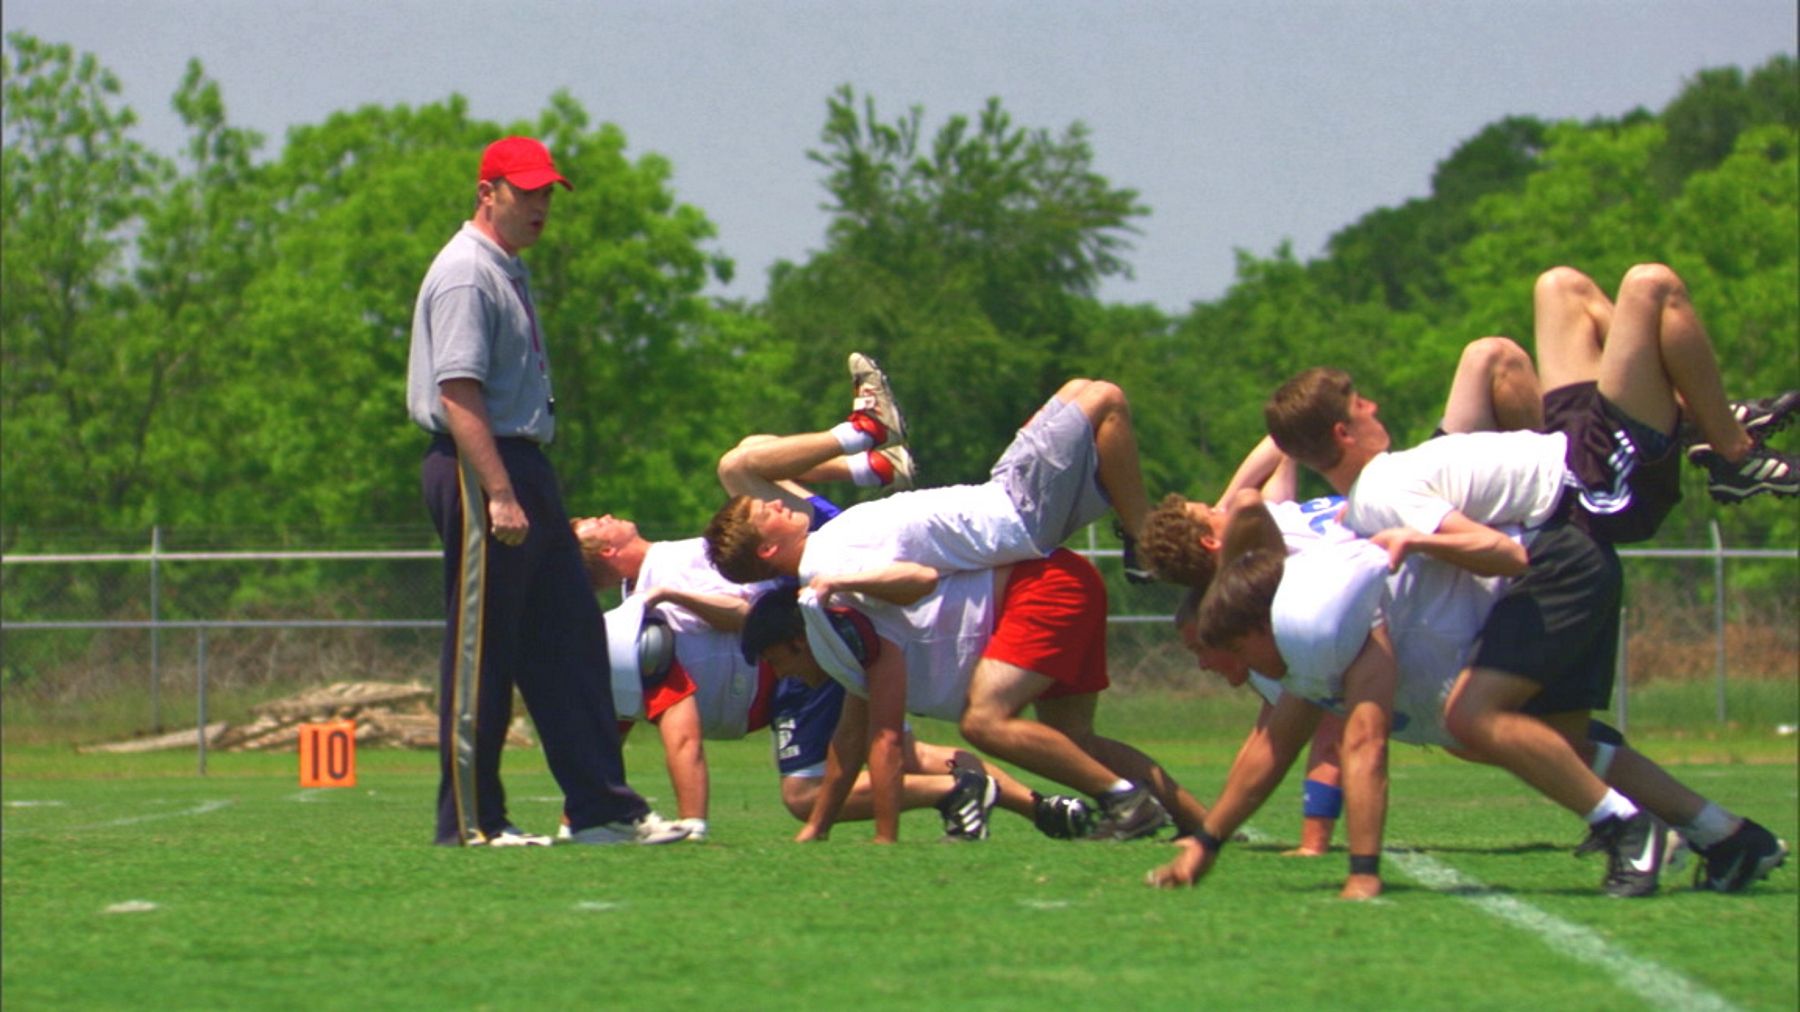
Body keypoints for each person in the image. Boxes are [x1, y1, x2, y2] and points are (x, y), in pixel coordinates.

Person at [1257, 263, 1795, 893]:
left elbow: (1493, 360)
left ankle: (1703, 422)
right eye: (1359, 404)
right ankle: (1732, 452)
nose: (1374, 404)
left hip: (1569, 466)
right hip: (1586, 488)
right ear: (1344, 432)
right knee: (1649, 286)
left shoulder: (1396, 474)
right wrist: (1415, 535)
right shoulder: (1382, 490)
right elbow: (1486, 547)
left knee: (1559, 286)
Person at [1156, 523, 1787, 897]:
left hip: (1543, 578)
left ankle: (1627, 826)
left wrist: (1365, 872)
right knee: (1550, 746)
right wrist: (1206, 843)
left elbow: (1365, 744)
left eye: (1221, 649)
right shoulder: (1298, 646)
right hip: (1541, 586)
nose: (1212, 667)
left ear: (1262, 627)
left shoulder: (1322, 629)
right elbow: (1271, 748)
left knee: (1475, 721)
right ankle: (1729, 838)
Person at [405, 136, 685, 847]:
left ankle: (601, 809)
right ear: (486, 193)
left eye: (546, 193)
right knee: (483, 650)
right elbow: (458, 390)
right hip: (481, 466)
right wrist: (498, 491)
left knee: (569, 634)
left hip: (521, 462)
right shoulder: (468, 272)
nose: (539, 207)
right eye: (524, 192)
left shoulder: (506, 270)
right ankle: (472, 820)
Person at [741, 549, 1210, 843]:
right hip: (1067, 576)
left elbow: (883, 743)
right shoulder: (843, 645)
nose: (789, 678)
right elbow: (846, 743)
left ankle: (1129, 804)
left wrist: (886, 838)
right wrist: (816, 828)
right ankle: (1201, 823)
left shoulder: (860, 637)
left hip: (1042, 588)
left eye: (780, 662)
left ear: (798, 641)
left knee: (983, 722)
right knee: (1073, 739)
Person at [705, 378, 1154, 588]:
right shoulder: (826, 568)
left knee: (1079, 389)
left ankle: (875, 463)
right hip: (1015, 514)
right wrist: (834, 586)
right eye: (770, 513)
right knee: (1106, 399)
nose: (780, 506)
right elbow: (914, 582)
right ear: (766, 548)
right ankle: (1145, 543)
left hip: (999, 494)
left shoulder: (823, 549)